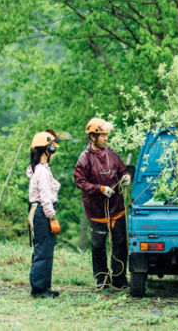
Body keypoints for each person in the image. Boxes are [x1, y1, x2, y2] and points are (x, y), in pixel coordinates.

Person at [74, 117, 132, 290]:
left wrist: (127, 177)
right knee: (98, 246)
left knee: (120, 244)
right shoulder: (84, 159)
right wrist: (99, 189)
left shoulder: (112, 153)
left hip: (117, 209)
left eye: (107, 135)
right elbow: (80, 181)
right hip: (97, 211)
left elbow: (123, 170)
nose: (106, 138)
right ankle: (101, 279)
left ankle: (119, 279)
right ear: (93, 137)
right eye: (103, 135)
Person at [28, 131, 61, 299]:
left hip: (43, 212)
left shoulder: (41, 169)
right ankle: (38, 289)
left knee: (47, 250)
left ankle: (45, 286)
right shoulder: (41, 171)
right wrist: (52, 217)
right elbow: (46, 197)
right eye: (53, 147)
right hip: (44, 212)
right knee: (42, 250)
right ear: (47, 150)